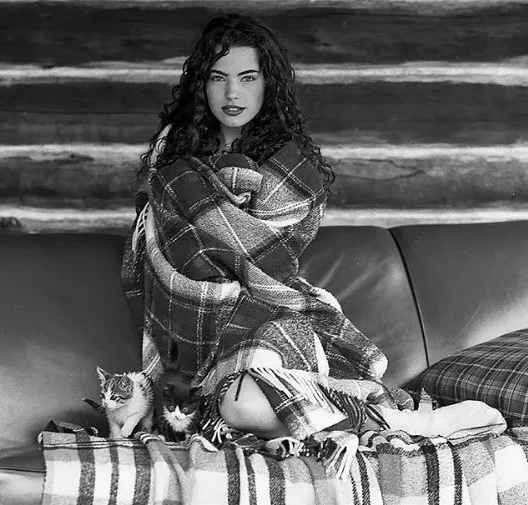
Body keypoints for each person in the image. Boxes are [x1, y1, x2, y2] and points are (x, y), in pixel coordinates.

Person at [122, 13, 505, 476]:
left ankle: (373, 419)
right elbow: (161, 254)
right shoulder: (172, 166)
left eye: (247, 78)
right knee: (226, 408)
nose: (232, 94)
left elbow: (269, 260)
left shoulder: (292, 170)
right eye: (217, 78)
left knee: (242, 408)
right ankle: (356, 425)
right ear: (201, 86)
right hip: (200, 328)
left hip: (275, 312)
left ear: (269, 86)